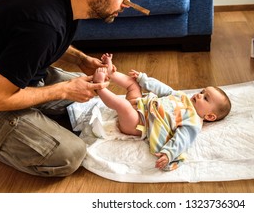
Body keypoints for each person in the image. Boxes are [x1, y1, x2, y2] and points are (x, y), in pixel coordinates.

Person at [0, 0, 133, 177]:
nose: (127, 2)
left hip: (17, 75)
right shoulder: (43, 25)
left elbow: (46, 39)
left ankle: (36, 116)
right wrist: (63, 90)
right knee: (70, 155)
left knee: (91, 90)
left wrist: (81, 59)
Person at [93, 54, 232, 171]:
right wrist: (144, 80)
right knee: (133, 84)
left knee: (123, 105)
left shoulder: (193, 121)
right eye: (202, 92)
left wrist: (169, 153)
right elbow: (164, 89)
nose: (199, 95)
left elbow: (182, 140)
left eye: (206, 98)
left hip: (138, 123)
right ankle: (111, 72)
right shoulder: (183, 97)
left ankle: (99, 88)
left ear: (209, 116)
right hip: (141, 103)